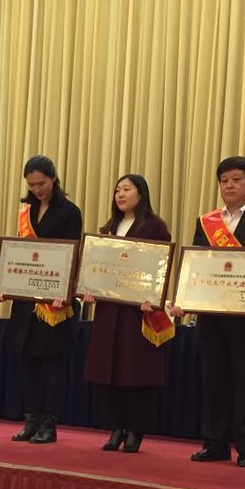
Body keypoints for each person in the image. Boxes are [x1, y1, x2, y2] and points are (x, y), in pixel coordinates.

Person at [182, 156, 245, 468]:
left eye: (237, 180)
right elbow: (198, 264)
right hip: (211, 316)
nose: (229, 185)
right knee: (214, 381)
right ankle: (214, 443)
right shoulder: (207, 221)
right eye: (224, 180)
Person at [82, 174, 171, 453]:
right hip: (109, 311)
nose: (120, 195)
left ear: (141, 194)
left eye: (127, 190)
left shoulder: (155, 227)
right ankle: (115, 428)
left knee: (135, 370)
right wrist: (89, 288)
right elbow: (95, 269)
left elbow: (160, 267)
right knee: (110, 369)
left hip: (138, 313)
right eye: (117, 190)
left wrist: (153, 297)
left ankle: (135, 430)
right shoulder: (108, 228)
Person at [0, 155, 83, 444]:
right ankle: (30, 420)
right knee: (28, 363)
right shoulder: (26, 212)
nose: (36, 189)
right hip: (26, 301)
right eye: (31, 185)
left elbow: (72, 253)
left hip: (54, 301)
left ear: (54, 179)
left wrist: (64, 292)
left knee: (51, 365)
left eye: (41, 184)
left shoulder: (69, 212)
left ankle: (49, 423)